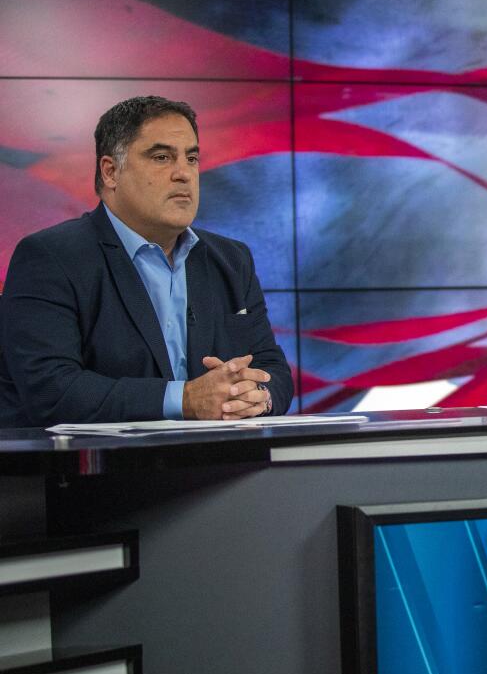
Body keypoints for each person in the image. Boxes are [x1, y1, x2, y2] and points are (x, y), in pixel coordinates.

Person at [0, 96, 293, 428]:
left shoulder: (231, 259)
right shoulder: (50, 257)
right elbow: (52, 391)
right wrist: (183, 399)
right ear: (110, 172)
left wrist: (257, 398)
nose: (184, 173)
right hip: (97, 471)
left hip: (220, 464)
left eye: (192, 157)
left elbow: (273, 368)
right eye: (162, 157)